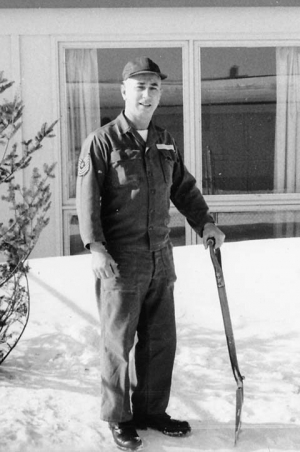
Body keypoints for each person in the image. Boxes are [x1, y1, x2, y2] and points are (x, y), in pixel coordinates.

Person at [76, 57, 225, 451]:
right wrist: (95, 247)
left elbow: (184, 188)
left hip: (161, 255)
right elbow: (87, 200)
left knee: (161, 341)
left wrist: (205, 223)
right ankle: (119, 417)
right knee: (118, 343)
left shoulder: (164, 139)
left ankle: (151, 411)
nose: (147, 94)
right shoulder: (103, 141)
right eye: (139, 86)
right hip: (120, 261)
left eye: (154, 87)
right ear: (123, 91)